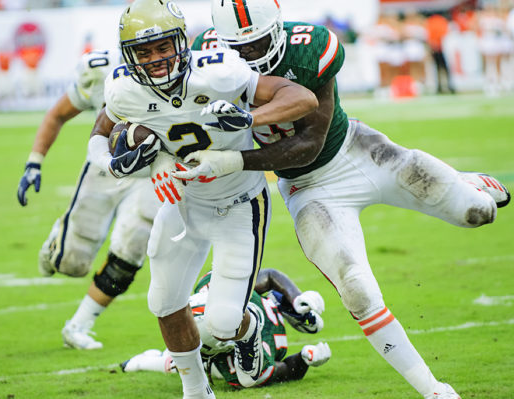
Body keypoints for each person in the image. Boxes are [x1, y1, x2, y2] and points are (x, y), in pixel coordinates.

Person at [175, 1, 512, 398]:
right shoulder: (208, 59)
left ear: (278, 29)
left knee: (479, 212)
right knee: (357, 289)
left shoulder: (310, 48)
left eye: (258, 42)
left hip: (356, 150)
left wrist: (232, 159)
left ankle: (464, 181)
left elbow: (310, 145)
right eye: (239, 47)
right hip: (309, 190)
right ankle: (434, 390)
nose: (249, 54)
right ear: (223, 43)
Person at [86, 0, 318, 397]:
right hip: (183, 203)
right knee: (163, 301)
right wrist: (112, 163)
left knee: (225, 323)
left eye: (162, 47)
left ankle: (250, 329)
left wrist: (250, 118)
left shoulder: (220, 72)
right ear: (130, 56)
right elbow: (102, 129)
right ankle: (195, 390)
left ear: (182, 42)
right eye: (144, 52)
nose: (156, 60)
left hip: (239, 203)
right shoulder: (124, 87)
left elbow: (302, 99)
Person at [17, 49, 162, 350]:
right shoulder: (102, 72)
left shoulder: (179, 72)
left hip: (152, 174)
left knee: (130, 251)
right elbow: (57, 114)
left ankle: (78, 326)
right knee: (71, 263)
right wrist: (34, 162)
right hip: (105, 167)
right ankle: (59, 240)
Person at [121, 268, 332, 388]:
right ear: (225, 343)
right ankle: (139, 363)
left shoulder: (211, 286)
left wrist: (295, 298)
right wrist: (305, 359)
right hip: (228, 355)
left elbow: (267, 276)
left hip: (257, 312)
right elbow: (283, 370)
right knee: (173, 363)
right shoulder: (238, 368)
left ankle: (285, 305)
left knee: (177, 356)